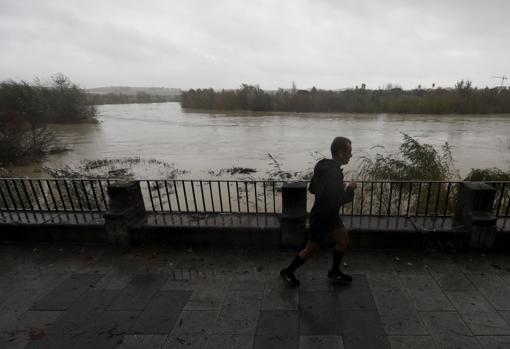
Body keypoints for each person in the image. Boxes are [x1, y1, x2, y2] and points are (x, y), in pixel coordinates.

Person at [280, 136, 356, 286]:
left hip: (330, 215)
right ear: (340, 153)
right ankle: (288, 272)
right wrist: (350, 189)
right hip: (322, 217)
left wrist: (336, 187)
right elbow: (339, 199)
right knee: (310, 249)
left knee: (343, 240)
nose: (351, 156)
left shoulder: (323, 166)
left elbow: (312, 189)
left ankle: (334, 272)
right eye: (349, 152)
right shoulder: (334, 173)